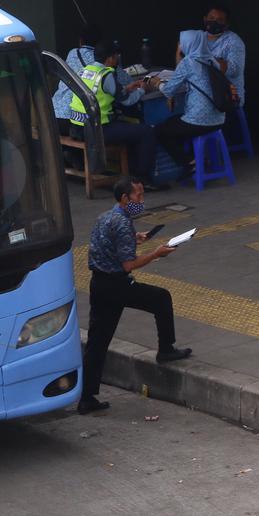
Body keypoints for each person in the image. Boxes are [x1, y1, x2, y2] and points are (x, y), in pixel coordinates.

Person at [78, 177, 191, 415]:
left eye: (142, 195)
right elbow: (128, 264)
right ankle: (166, 349)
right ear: (124, 199)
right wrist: (156, 253)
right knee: (161, 298)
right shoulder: (122, 224)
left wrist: (135, 237)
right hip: (117, 285)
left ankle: (86, 398)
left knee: (98, 342)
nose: (142, 200)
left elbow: (110, 243)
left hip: (98, 284)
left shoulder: (107, 217)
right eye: (138, 197)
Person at [63, 40, 161, 187]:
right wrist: (142, 90)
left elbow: (103, 92)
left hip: (78, 128)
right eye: (116, 56)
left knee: (129, 129)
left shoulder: (85, 71)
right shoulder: (106, 75)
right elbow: (128, 101)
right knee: (146, 132)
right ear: (109, 58)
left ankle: (132, 171)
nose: (117, 59)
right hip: (98, 130)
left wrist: (127, 88)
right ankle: (142, 179)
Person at [153, 41, 227, 179]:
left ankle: (189, 163)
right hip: (219, 120)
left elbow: (169, 88)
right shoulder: (211, 60)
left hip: (199, 122)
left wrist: (157, 83)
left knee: (160, 130)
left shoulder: (188, 63)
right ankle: (199, 159)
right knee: (174, 122)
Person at [176, 5, 245, 108]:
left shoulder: (233, 41)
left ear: (226, 25)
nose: (214, 22)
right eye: (211, 18)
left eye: (219, 20)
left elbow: (234, 70)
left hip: (226, 100)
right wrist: (180, 51)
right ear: (205, 19)